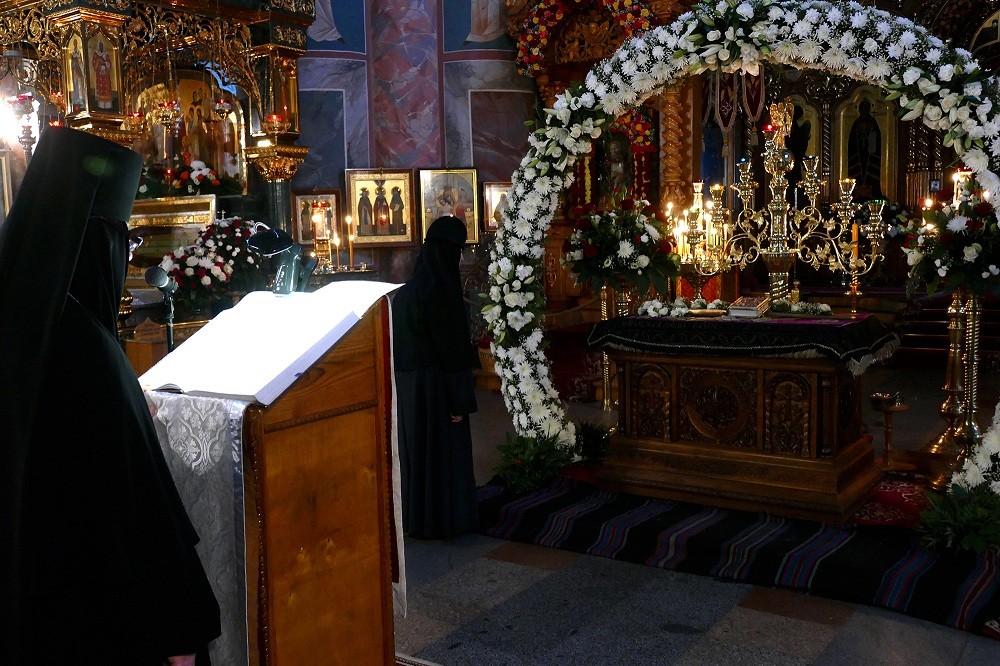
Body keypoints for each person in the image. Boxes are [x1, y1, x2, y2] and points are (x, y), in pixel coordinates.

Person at [0, 127, 221, 665]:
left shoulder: (21, 321)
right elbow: (138, 512)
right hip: (92, 613)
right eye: (126, 239)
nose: (126, 256)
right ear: (94, 240)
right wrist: (181, 628)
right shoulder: (84, 347)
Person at [392, 216, 479, 539]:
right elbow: (453, 351)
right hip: (437, 387)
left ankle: (419, 519)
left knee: (417, 454)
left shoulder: (406, 292)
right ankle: (446, 520)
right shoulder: (442, 291)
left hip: (409, 387)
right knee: (443, 454)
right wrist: (459, 401)